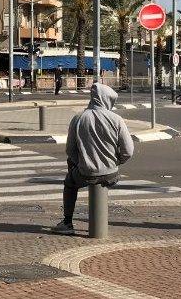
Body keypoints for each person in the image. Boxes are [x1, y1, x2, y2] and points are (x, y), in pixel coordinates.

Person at [53, 83, 134, 235]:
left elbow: (70, 150)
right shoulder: (117, 119)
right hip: (111, 173)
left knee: (69, 183)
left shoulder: (78, 118)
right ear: (107, 100)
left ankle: (67, 222)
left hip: (85, 173)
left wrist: (80, 163)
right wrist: (116, 161)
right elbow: (128, 151)